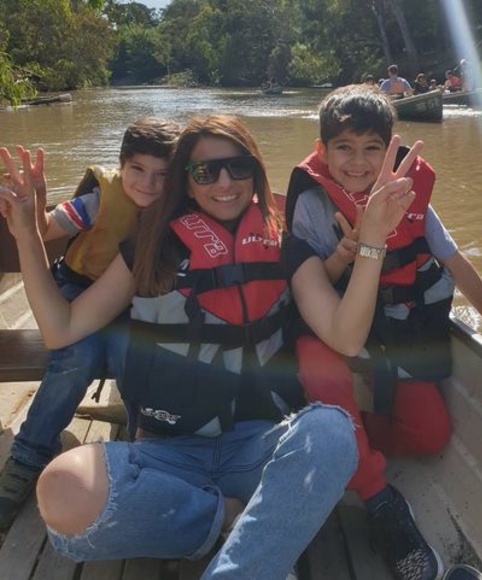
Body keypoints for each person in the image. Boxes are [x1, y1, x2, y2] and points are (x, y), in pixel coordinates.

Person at [0, 115, 358, 580]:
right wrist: (27, 234)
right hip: (168, 454)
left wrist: (371, 245)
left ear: (255, 171)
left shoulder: (285, 247)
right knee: (63, 490)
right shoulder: (149, 249)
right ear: (186, 182)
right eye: (205, 171)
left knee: (332, 431)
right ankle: (232, 517)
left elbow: (345, 336)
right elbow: (61, 330)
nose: (224, 183)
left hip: (258, 448)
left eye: (238, 167)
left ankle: (230, 552)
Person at [284, 83, 482, 580]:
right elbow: (313, 285)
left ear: (390, 151)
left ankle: (341, 442)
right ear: (321, 150)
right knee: (321, 368)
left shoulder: (406, 198)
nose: (358, 162)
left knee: (431, 433)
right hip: (330, 329)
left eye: (372, 148)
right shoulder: (312, 205)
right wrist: (342, 255)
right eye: (344, 148)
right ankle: (378, 497)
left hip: (391, 331)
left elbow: (454, 261)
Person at [0, 117, 181, 530]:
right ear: (121, 165)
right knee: (77, 355)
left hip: (129, 304)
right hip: (75, 289)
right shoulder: (99, 200)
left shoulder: (174, 210)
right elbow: (47, 229)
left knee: (133, 354)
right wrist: (35, 205)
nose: (148, 184)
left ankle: (142, 448)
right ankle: (28, 455)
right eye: (137, 169)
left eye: (161, 175)